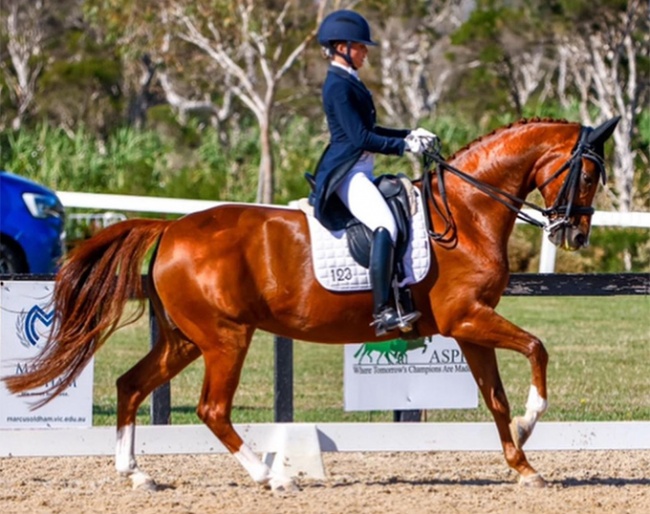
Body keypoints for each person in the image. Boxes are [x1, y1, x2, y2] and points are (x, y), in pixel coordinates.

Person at [311, 9, 437, 336]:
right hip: (347, 173)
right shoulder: (337, 85)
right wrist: (404, 147)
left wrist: (410, 133)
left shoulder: (349, 80)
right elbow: (360, 138)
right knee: (386, 224)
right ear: (342, 47)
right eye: (360, 46)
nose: (365, 51)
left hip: (361, 170)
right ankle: (383, 311)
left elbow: (373, 127)